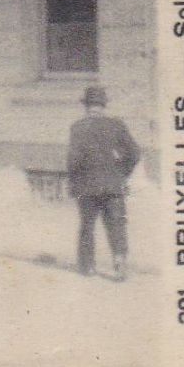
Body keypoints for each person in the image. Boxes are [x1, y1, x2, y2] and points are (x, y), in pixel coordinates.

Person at [66, 84, 141, 281]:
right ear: (103, 105)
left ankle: (87, 266)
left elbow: (73, 160)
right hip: (113, 184)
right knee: (116, 225)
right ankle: (118, 263)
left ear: (86, 106)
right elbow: (134, 153)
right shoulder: (116, 125)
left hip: (86, 185)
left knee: (87, 226)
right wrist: (121, 173)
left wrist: (73, 184)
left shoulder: (78, 128)